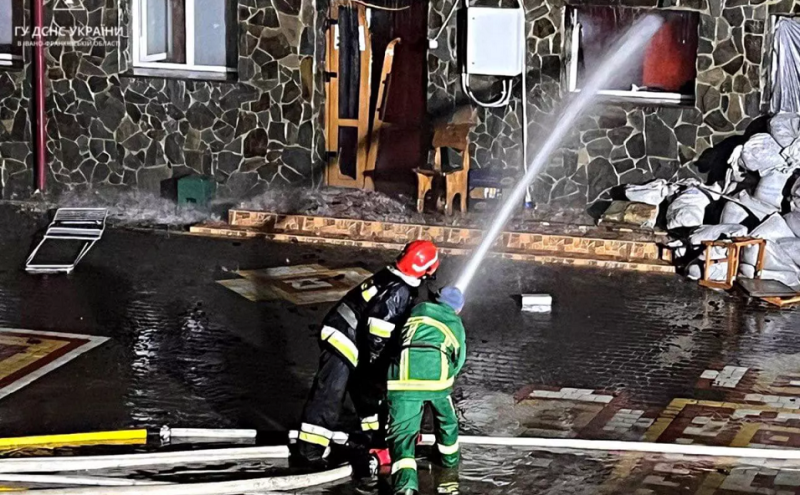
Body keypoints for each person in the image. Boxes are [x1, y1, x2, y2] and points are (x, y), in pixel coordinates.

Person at [295, 240, 440, 466]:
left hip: (351, 334)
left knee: (367, 392)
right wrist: (380, 362)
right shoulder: (399, 290)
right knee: (330, 394)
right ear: (427, 269)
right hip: (344, 336)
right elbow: (378, 332)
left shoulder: (391, 276)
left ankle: (375, 437)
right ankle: (310, 451)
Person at [385, 286, 466, 495]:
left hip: (401, 377)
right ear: (458, 308)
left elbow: (396, 341)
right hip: (435, 379)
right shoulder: (455, 323)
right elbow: (458, 359)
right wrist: (448, 376)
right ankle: (449, 463)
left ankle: (405, 487)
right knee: (447, 420)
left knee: (402, 434)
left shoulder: (418, 309)